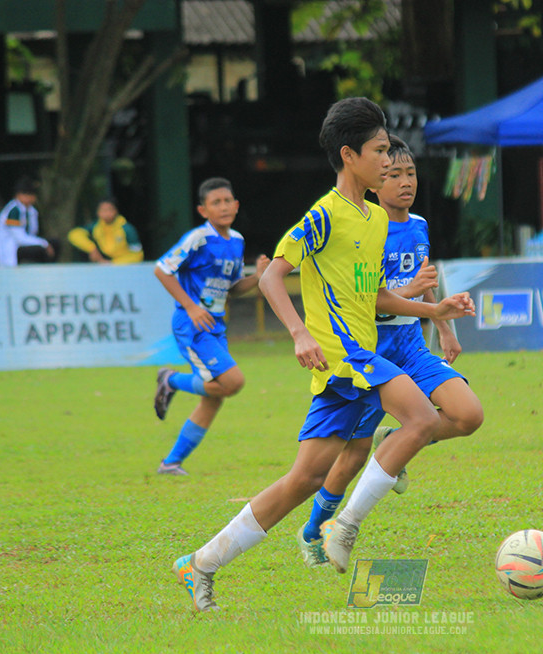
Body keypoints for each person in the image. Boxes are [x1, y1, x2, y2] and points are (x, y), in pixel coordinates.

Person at [170, 97, 475, 612]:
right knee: (422, 418)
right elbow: (272, 275)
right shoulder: (324, 214)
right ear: (349, 155)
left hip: (358, 359)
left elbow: (375, 296)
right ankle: (344, 527)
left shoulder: (374, 218)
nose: (388, 161)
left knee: (304, 479)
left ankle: (200, 562)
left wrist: (433, 309)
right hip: (343, 356)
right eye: (380, 151)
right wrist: (298, 333)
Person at [295, 135, 484, 567]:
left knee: (468, 415)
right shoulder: (366, 228)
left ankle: (394, 439)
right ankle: (314, 531)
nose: (405, 182)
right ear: (376, 180)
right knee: (352, 455)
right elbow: (370, 299)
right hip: (370, 353)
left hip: (411, 347)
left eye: (410, 173)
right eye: (394, 174)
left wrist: (444, 327)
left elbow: (424, 278)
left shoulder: (418, 225)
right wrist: (413, 292)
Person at [152, 177, 270, 475]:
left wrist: (258, 277)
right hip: (192, 323)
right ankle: (171, 380)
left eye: (228, 201)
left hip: (215, 325)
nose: (224, 206)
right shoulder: (198, 238)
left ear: (237, 205)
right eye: (216, 203)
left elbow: (232, 288)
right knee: (233, 382)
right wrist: (191, 307)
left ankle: (171, 463)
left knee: (215, 397)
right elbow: (162, 270)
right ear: (203, 210)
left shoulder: (237, 241)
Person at [0, 176, 58, 267]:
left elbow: (33, 233)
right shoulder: (14, 211)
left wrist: (44, 243)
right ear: (18, 195)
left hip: (24, 243)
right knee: (41, 249)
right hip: (14, 248)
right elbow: (20, 238)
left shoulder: (31, 211)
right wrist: (43, 243)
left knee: (55, 243)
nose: (30, 197)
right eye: (26, 194)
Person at [67, 198, 144, 264]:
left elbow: (137, 255)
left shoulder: (127, 229)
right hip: (104, 265)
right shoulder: (95, 227)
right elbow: (74, 234)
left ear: (116, 211)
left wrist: (113, 263)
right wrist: (91, 248)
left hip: (124, 266)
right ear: (98, 212)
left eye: (109, 210)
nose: (106, 213)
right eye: (103, 210)